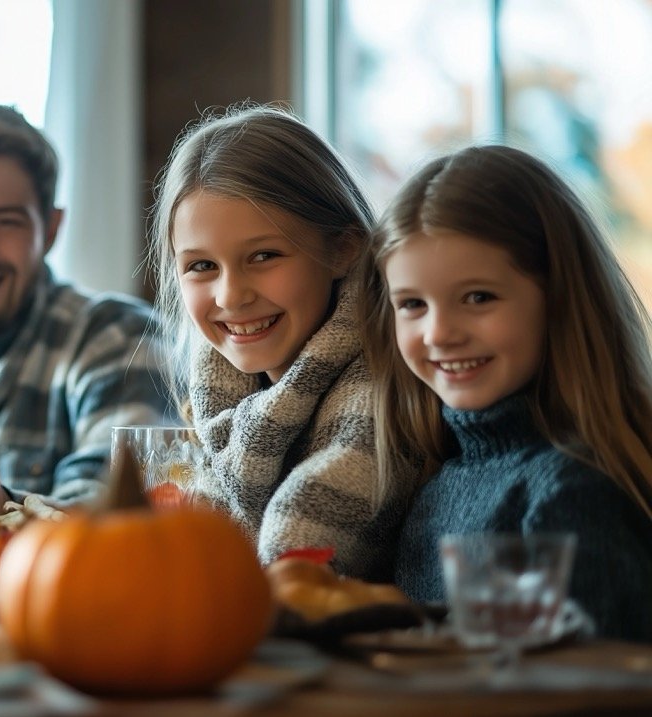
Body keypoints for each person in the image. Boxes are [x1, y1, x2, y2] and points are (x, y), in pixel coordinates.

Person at [363, 144, 652, 641]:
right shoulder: (438, 479)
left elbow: (591, 697)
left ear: (559, 297)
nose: (439, 333)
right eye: (412, 304)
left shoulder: (570, 493)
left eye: (478, 297)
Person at [147, 105, 416, 580]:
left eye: (264, 255)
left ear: (343, 250)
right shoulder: (224, 402)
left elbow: (295, 571)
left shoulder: (382, 398)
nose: (231, 295)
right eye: (201, 266)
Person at [0, 101, 174, 517]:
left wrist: (4, 506)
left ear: (49, 230)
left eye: (4, 221)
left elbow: (120, 520)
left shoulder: (119, 338)